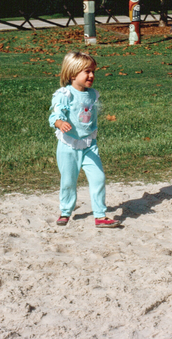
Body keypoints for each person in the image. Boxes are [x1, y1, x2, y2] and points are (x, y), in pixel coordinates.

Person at [49, 51, 120, 228]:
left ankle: (100, 215)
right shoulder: (64, 94)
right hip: (69, 145)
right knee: (68, 181)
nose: (91, 75)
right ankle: (65, 211)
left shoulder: (93, 94)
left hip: (89, 144)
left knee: (98, 178)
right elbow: (54, 116)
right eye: (87, 72)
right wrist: (60, 123)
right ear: (73, 73)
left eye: (93, 72)